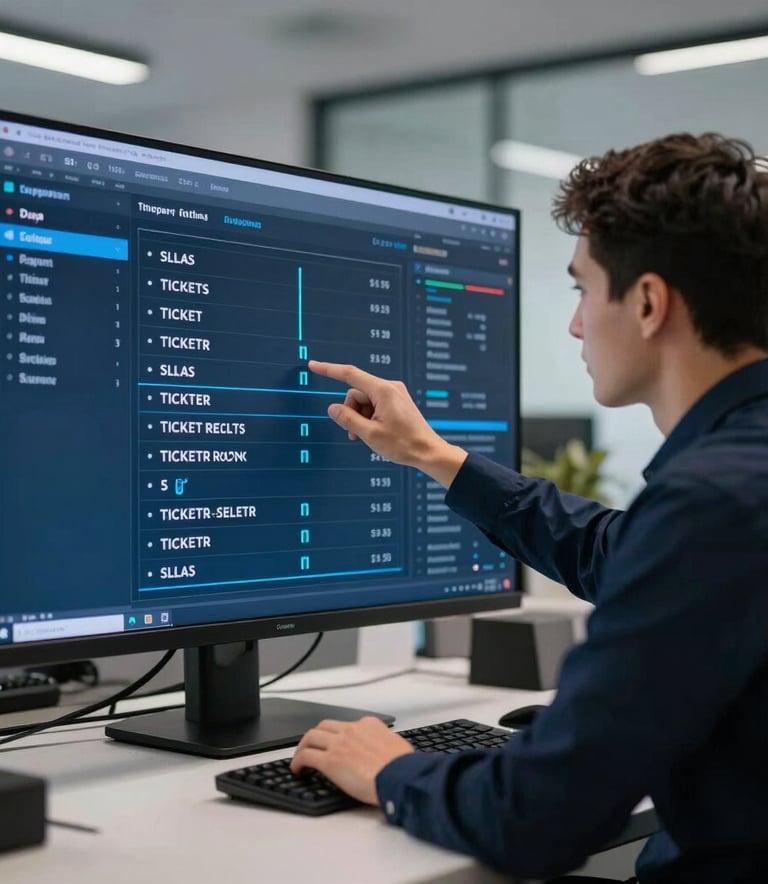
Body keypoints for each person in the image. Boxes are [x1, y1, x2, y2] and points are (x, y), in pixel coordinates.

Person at [290, 132, 768, 884]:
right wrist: (434, 456)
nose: (577, 324)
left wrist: (391, 771)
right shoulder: (738, 481)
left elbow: (536, 818)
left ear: (647, 302)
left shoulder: (712, 502)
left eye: (582, 289)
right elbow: (619, 552)